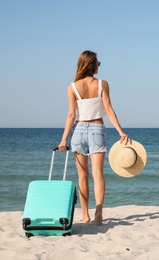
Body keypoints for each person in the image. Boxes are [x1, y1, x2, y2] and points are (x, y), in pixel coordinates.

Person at [58, 50, 130, 225]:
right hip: (97, 129)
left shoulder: (72, 87)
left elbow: (70, 115)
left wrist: (63, 140)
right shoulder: (102, 84)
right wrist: (121, 132)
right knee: (98, 174)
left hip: (79, 131)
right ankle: (99, 211)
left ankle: (85, 214)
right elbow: (109, 109)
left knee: (82, 175)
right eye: (97, 63)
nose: (99, 66)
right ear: (92, 64)